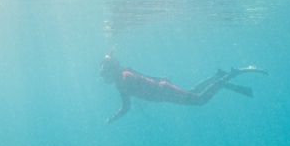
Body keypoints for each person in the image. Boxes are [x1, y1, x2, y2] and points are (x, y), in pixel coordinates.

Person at [99, 53, 267, 122]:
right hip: (163, 91)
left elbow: (131, 100)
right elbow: (128, 103)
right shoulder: (122, 76)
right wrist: (115, 117)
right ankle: (218, 77)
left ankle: (233, 74)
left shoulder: (123, 80)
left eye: (104, 73)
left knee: (201, 100)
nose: (103, 77)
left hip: (163, 92)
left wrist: (115, 117)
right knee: (193, 93)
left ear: (110, 70)